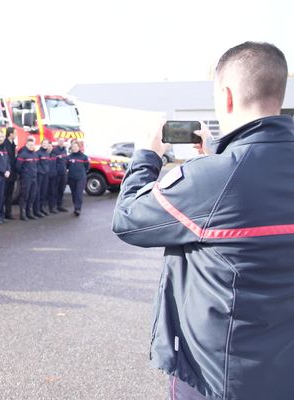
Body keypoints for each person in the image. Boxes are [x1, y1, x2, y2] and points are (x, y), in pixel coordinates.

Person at [112, 42, 294, 399]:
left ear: (226, 96)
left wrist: (147, 154)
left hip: (220, 378)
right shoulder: (221, 172)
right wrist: (216, 153)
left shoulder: (211, 179)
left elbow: (128, 217)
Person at [16, 136, 39, 221]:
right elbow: (18, 167)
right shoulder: (23, 154)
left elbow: (37, 165)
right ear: (26, 145)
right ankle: (23, 214)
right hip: (26, 178)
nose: (31, 146)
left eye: (32, 145)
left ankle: (29, 212)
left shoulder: (35, 154)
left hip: (34, 177)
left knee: (32, 195)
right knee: (24, 196)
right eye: (29, 145)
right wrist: (24, 174)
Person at [66, 139, 88, 216]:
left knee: (79, 193)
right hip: (71, 178)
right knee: (74, 194)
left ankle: (77, 208)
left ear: (79, 147)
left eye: (76, 146)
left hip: (81, 178)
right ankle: (75, 205)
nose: (75, 148)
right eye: (73, 147)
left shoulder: (84, 157)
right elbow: (67, 166)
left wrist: (82, 173)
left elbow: (87, 167)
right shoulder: (68, 157)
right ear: (71, 148)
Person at [2, 127, 17, 219]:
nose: (15, 135)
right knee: (4, 194)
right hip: (6, 172)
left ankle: (8, 213)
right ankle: (1, 213)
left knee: (10, 194)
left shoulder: (13, 144)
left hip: (12, 173)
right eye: (14, 133)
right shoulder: (5, 144)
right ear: (10, 134)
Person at [35, 138, 52, 217]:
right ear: (41, 144)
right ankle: (37, 210)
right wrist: (41, 171)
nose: (45, 145)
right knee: (38, 192)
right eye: (44, 143)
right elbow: (36, 165)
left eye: (47, 143)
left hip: (46, 174)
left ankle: (42, 208)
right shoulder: (38, 153)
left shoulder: (47, 153)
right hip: (40, 175)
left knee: (44, 192)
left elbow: (47, 164)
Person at [51, 138, 68, 212]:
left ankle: (59, 205)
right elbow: (53, 162)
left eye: (62, 141)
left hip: (63, 173)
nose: (61, 142)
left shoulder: (64, 150)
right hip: (57, 173)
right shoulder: (54, 150)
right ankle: (53, 206)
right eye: (60, 141)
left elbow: (65, 161)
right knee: (55, 190)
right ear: (57, 142)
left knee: (61, 189)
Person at [46, 141, 59, 213]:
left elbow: (57, 165)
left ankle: (52, 207)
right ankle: (44, 208)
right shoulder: (44, 155)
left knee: (52, 192)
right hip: (45, 176)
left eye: (50, 146)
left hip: (53, 176)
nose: (49, 147)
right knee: (44, 192)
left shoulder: (54, 155)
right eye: (48, 146)